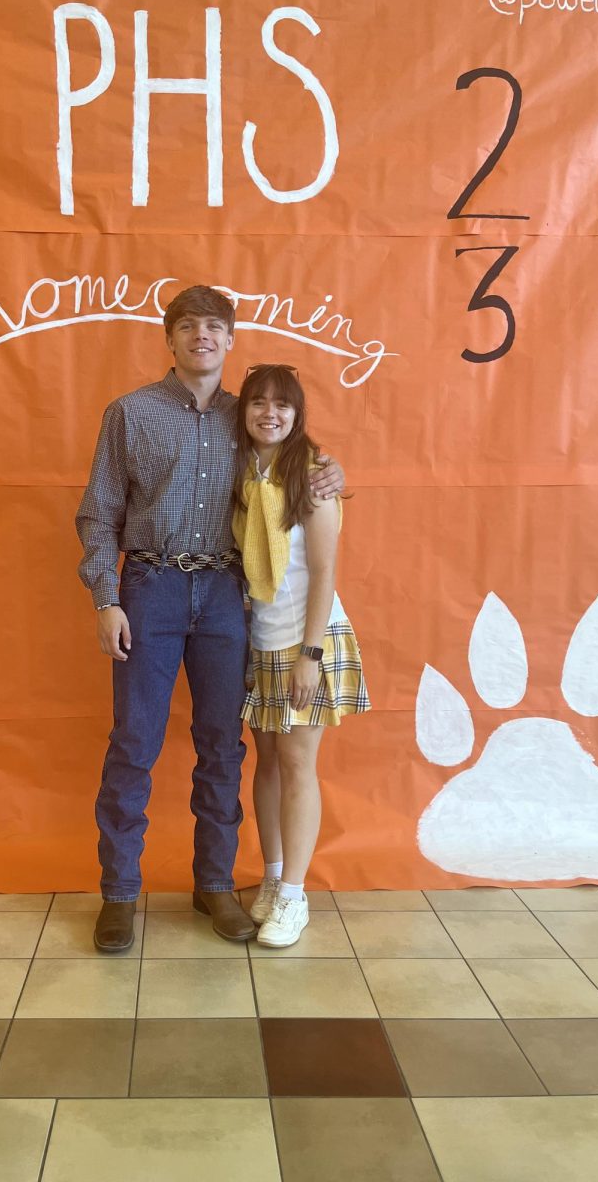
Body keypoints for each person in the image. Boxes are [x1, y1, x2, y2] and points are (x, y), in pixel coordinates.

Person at [75, 286, 345, 952]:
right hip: (150, 588)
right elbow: (98, 511)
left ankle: (216, 885)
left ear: (230, 341)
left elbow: (297, 467)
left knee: (224, 747)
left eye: (215, 326)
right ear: (169, 340)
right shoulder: (130, 414)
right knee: (134, 743)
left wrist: (332, 472)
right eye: (188, 325)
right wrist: (106, 597)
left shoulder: (249, 416)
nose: (202, 335)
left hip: (227, 596)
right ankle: (118, 895)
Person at [232, 363, 370, 948]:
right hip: (259, 639)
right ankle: (270, 878)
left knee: (296, 766)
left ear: (297, 414)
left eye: (282, 405)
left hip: (306, 640)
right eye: (258, 402)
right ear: (242, 413)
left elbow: (323, 573)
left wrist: (309, 655)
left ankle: (294, 896)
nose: (270, 413)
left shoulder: (313, 477)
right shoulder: (239, 472)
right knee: (264, 764)